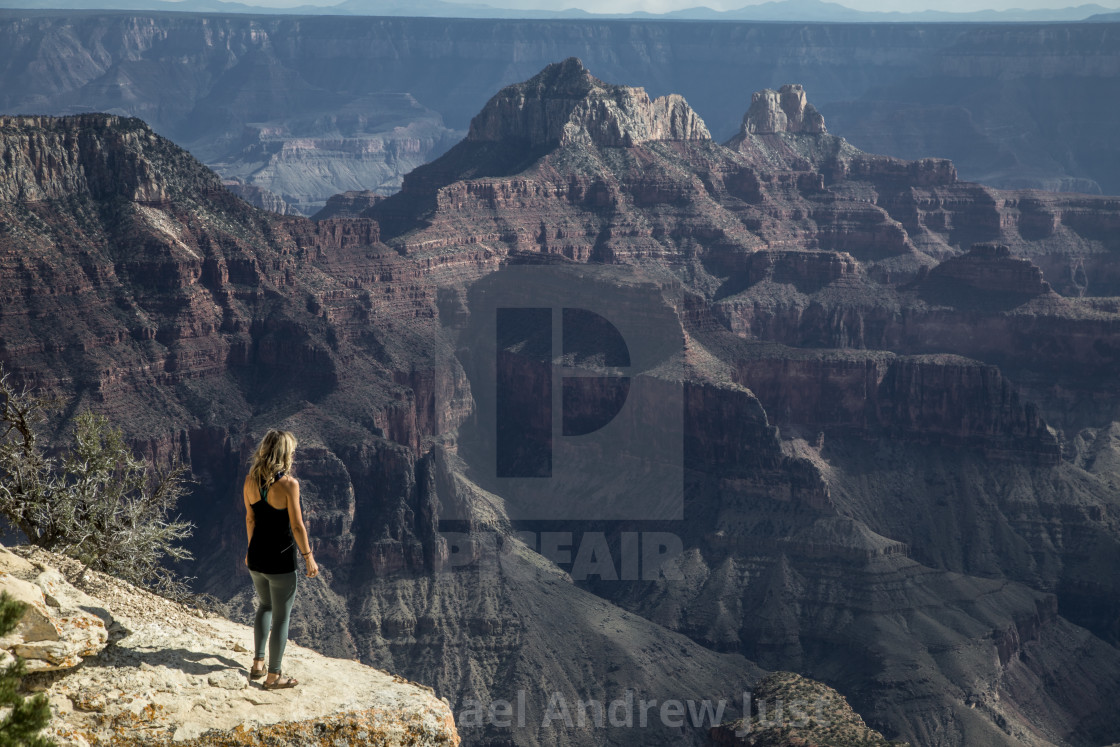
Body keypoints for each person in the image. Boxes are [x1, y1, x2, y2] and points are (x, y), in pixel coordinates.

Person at [243, 429, 319, 690]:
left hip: (256, 558)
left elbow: (250, 518)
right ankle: (274, 676)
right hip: (280, 561)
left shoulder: (250, 480)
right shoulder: (289, 484)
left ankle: (257, 665)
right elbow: (297, 526)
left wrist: (249, 549)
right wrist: (308, 557)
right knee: (281, 618)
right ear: (285, 454)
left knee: (264, 606)